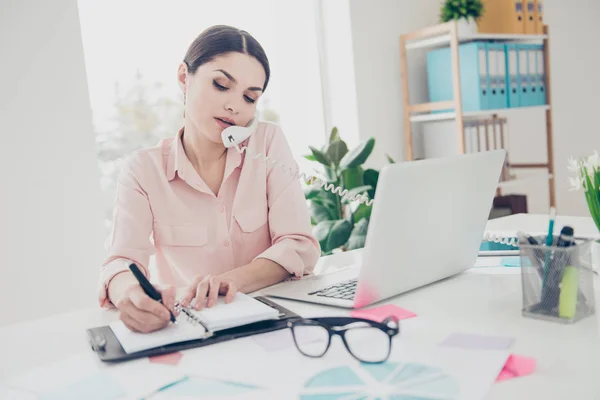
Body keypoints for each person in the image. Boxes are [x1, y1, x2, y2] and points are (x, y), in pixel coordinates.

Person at [97, 25, 321, 333]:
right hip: (191, 329)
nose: (235, 106)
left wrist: (231, 282)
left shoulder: (267, 144)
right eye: (220, 85)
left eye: (249, 97)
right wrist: (129, 294)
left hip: (275, 323)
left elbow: (298, 244)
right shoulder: (143, 170)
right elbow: (120, 261)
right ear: (183, 78)